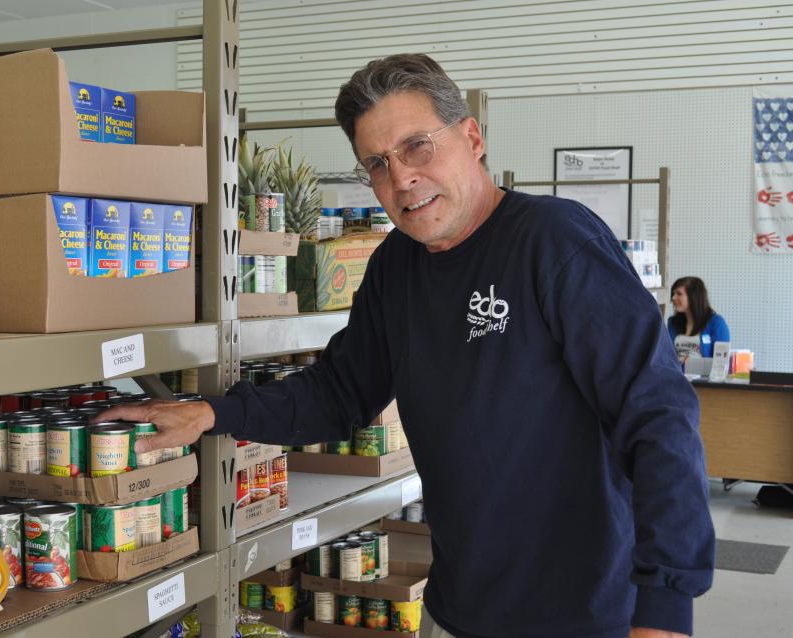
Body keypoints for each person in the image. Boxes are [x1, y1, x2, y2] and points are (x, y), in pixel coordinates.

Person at [98, 54, 714, 638]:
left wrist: (664, 603)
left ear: (472, 139)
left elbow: (658, 416)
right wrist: (213, 412)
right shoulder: (396, 266)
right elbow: (340, 391)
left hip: (581, 618)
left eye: (417, 146)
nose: (401, 178)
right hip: (455, 609)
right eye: (377, 163)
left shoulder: (553, 242)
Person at [668, 276, 730, 363]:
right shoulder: (672, 322)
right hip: (676, 374)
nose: (673, 298)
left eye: (679, 294)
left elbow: (721, 362)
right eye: (673, 294)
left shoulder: (716, 323)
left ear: (693, 297)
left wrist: (694, 362)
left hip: (703, 376)